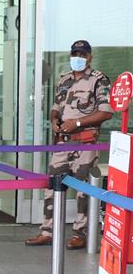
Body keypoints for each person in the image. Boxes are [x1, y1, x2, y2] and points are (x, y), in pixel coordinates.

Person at [26, 40, 112, 250]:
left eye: (83, 54)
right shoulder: (64, 79)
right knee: (52, 186)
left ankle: (80, 234)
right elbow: (56, 107)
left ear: (90, 57)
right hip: (62, 143)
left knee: (83, 190)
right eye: (75, 54)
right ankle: (47, 232)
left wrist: (78, 123)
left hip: (86, 144)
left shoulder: (98, 79)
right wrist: (55, 118)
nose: (78, 58)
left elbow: (106, 112)